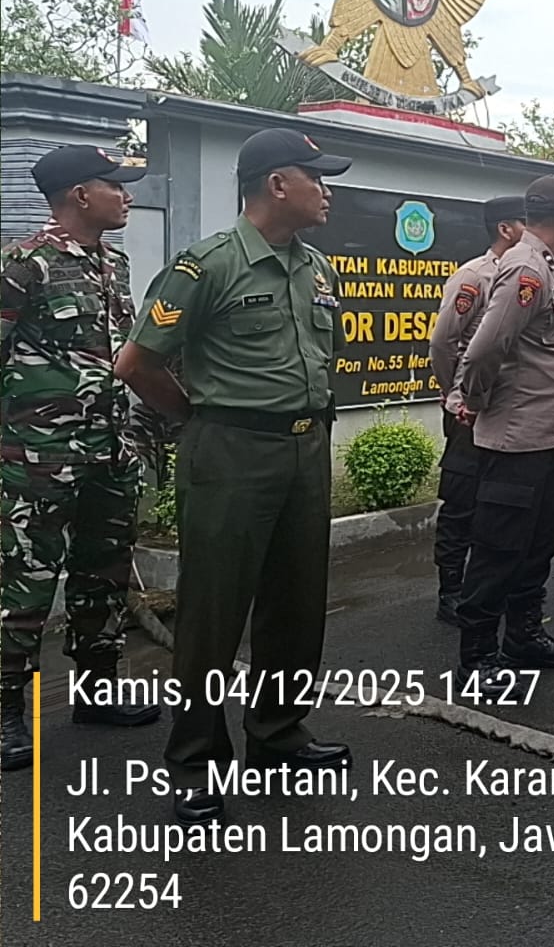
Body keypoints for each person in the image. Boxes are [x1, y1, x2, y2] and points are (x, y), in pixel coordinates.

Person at [116, 127, 355, 824]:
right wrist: (197, 420)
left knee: (296, 605)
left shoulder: (316, 268)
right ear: (277, 184)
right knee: (214, 613)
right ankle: (194, 759)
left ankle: (278, 737)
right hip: (229, 453)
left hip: (304, 451)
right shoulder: (207, 265)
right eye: (316, 177)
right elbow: (137, 364)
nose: (326, 190)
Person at [1, 145, 160, 774]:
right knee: (26, 585)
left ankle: (97, 693)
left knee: (104, 575)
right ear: (77, 195)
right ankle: (7, 713)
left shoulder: (112, 264)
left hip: (108, 453)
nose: (126, 195)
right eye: (113, 185)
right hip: (37, 460)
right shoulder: (24, 265)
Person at [453, 175, 554, 690]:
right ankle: (478, 654)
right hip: (516, 440)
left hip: (547, 437)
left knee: (537, 546)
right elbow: (486, 347)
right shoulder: (526, 269)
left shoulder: (545, 265)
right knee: (498, 549)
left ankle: (524, 635)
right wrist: (474, 399)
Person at [427, 195, 526, 626]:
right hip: (471, 413)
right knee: (462, 502)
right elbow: (443, 343)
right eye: (527, 222)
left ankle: (486, 587)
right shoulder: (474, 277)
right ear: (506, 228)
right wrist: (458, 396)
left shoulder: (529, 274)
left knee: (500, 502)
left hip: (509, 409)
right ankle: (451, 589)